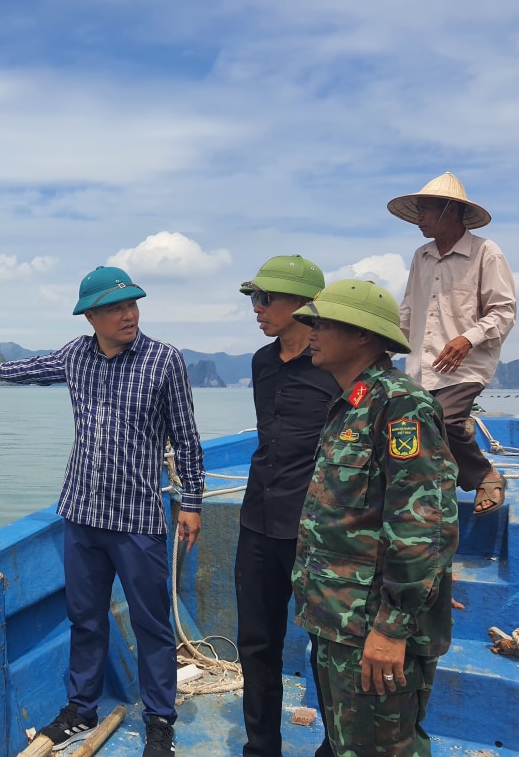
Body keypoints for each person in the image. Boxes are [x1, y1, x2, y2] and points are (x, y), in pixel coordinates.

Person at [0, 265, 204, 757]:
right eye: (116, 308)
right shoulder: (77, 356)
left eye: (132, 304)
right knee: (85, 618)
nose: (129, 315)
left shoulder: (164, 361)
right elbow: (36, 368)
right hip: (81, 513)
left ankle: (160, 720)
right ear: (91, 317)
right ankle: (82, 709)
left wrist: (191, 503)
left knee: (153, 625)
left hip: (138, 520)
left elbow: (186, 437)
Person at [290, 279, 459, 757]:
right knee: (347, 745)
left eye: (322, 323)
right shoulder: (351, 403)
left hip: (372, 627)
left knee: (382, 750)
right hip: (336, 618)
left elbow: (424, 524)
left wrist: (392, 626)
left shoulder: (401, 406)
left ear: (364, 335)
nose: (312, 332)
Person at [235, 255, 340, 757]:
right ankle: (261, 748)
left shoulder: (336, 368)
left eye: (265, 298)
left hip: (316, 531)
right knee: (256, 646)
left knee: (329, 649)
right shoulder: (260, 362)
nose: (256, 308)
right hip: (257, 522)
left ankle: (335, 746)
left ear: (302, 304)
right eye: (253, 299)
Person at [389, 172, 516, 515]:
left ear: (450, 211)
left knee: (442, 418)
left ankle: (485, 474)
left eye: (426, 210)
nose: (419, 218)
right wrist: (384, 349)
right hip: (421, 365)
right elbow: (408, 311)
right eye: (417, 210)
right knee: (411, 428)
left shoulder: (485, 252)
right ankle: (433, 485)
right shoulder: (422, 256)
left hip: (466, 364)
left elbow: (504, 311)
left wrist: (467, 338)